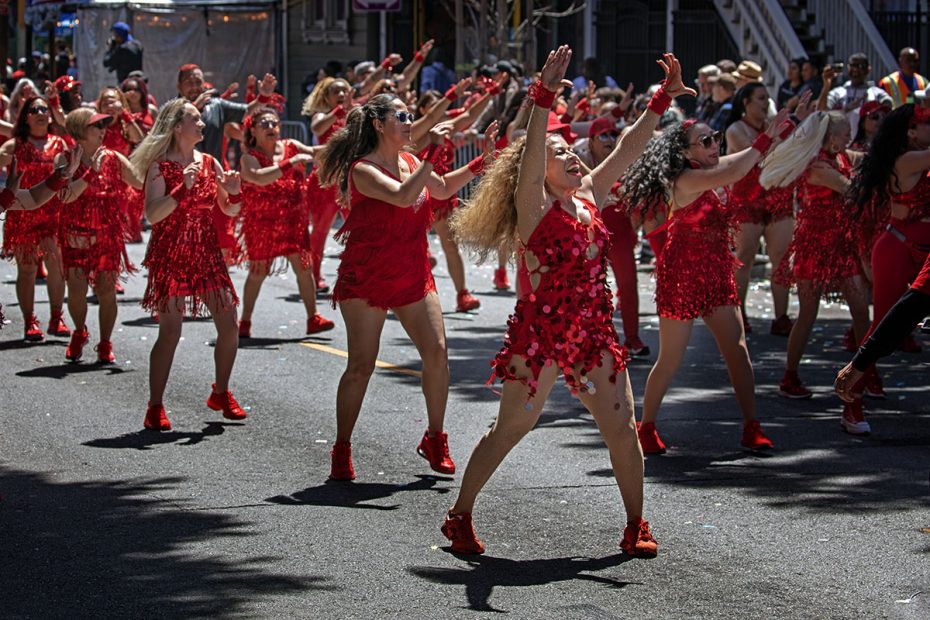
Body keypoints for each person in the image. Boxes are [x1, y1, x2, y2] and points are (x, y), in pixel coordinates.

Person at [442, 47, 693, 558]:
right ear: (538, 170)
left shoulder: (589, 197)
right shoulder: (532, 206)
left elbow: (626, 147)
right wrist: (543, 97)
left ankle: (634, 524)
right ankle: (460, 515)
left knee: (621, 426)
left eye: (573, 150)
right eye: (563, 154)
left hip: (593, 332)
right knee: (513, 425)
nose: (575, 157)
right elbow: (532, 152)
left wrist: (660, 101)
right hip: (539, 334)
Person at [314, 94, 494, 481]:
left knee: (437, 354)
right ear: (379, 124)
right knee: (361, 365)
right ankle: (342, 446)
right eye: (402, 116)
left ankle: (435, 436)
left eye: (411, 115)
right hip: (368, 274)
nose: (410, 122)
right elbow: (402, 196)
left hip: (411, 270)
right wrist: (433, 152)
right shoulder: (363, 169)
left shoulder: (411, 161)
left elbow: (442, 189)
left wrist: (482, 163)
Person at [622, 112, 788, 455]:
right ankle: (647, 426)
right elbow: (735, 170)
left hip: (715, 270)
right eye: (707, 141)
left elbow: (737, 163)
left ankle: (751, 425)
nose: (715, 145)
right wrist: (766, 138)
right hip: (682, 273)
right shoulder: (684, 179)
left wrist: (775, 131)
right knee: (670, 358)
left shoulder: (708, 166)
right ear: (685, 153)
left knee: (737, 350)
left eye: (715, 137)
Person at [130, 99, 245, 431]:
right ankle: (155, 405)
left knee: (229, 325)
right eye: (195, 120)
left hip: (207, 253)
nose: (203, 125)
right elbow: (152, 215)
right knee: (170, 332)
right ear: (177, 127)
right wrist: (183, 188)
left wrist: (235, 194)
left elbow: (230, 209)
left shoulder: (210, 162)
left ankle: (220, 392)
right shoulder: (159, 166)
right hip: (171, 254)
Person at [758, 112, 870, 398]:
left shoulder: (841, 156)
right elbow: (853, 191)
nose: (849, 138)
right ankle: (790, 375)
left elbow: (863, 158)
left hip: (841, 246)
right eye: (845, 133)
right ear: (831, 138)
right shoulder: (819, 166)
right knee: (808, 314)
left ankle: (867, 374)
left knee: (860, 309)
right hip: (814, 247)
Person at [843, 103, 930, 434]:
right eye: (927, 123)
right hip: (899, 249)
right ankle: (852, 400)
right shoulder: (909, 159)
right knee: (881, 328)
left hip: (923, 252)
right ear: (910, 131)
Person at [236, 106, 335, 337]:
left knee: (304, 268)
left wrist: (345, 141)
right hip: (262, 224)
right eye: (265, 124)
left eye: (274, 123)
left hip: (294, 221)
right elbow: (258, 178)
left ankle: (313, 318)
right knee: (258, 272)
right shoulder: (249, 158)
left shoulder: (291, 146)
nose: (271, 127)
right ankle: (245, 322)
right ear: (253, 131)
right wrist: (290, 164)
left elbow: (315, 151)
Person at [57, 108, 143, 363]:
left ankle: (105, 343)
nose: (103, 131)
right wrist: (90, 172)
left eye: (103, 126)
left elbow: (139, 181)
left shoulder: (114, 158)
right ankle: (80, 331)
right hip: (76, 234)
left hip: (107, 234)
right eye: (96, 126)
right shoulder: (64, 159)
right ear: (79, 132)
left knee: (106, 289)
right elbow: (66, 195)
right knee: (76, 289)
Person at [725, 83, 806, 335]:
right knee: (744, 259)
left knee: (781, 261)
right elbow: (761, 154)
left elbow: (791, 150)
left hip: (777, 199)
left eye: (766, 98)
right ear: (745, 102)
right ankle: (740, 314)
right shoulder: (736, 129)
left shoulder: (772, 125)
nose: (765, 102)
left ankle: (781, 317)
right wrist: (792, 123)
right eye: (760, 98)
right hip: (747, 201)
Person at [0, 95, 72, 341]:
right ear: (26, 117)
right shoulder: (15, 146)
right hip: (23, 214)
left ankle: (56, 317)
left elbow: (68, 175)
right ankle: (30, 321)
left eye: (45, 109)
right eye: (35, 109)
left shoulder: (59, 143)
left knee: (56, 266)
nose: (41, 112)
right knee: (28, 270)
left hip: (53, 214)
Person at [301, 76, 354, 292]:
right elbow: (317, 128)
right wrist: (338, 112)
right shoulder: (323, 115)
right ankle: (314, 276)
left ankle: (357, 274)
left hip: (349, 181)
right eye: (336, 92)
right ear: (327, 96)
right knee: (320, 231)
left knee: (358, 228)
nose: (341, 95)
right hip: (325, 181)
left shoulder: (352, 114)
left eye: (344, 91)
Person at [176, 64, 277, 162]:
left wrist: (263, 96)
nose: (194, 87)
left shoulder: (217, 105)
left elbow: (248, 112)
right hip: (181, 174)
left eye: (198, 82)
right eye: (189, 82)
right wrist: (194, 107)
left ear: (203, 83)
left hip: (212, 174)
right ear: (179, 86)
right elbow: (165, 133)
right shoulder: (170, 110)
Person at [827, 53, 893, 130]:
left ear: (868, 69)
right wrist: (845, 110)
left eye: (860, 66)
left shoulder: (877, 93)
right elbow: (823, 112)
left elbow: (888, 105)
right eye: (853, 65)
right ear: (848, 67)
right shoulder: (838, 93)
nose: (855, 69)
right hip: (842, 139)